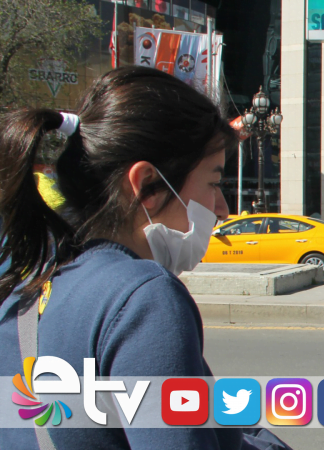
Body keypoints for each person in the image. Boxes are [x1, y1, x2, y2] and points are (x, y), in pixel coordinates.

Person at [0, 67, 289, 449]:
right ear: (147, 184)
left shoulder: (23, 276)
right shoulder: (144, 299)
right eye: (214, 182)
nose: (222, 208)